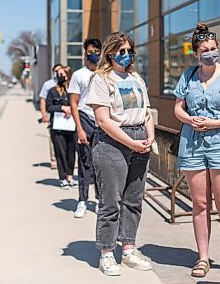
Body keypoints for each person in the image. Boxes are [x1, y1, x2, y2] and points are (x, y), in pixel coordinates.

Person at [173, 23, 220, 278]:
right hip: (192, 144)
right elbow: (178, 108)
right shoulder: (188, 76)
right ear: (196, 53)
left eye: (214, 49)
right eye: (205, 50)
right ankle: (202, 258)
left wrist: (214, 123)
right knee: (200, 204)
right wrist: (188, 119)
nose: (210, 53)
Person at [86, 31, 154, 276]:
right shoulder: (101, 79)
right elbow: (103, 120)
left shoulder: (136, 77)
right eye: (121, 51)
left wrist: (150, 136)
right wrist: (131, 143)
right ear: (110, 53)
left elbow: (146, 111)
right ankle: (106, 253)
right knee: (110, 202)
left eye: (129, 51)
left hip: (139, 138)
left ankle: (128, 249)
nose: (126, 55)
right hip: (112, 143)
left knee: (134, 200)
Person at [68, 38, 102, 218]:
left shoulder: (106, 73)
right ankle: (82, 200)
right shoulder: (78, 75)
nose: (94, 54)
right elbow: (73, 103)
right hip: (84, 119)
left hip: (102, 122)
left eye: (97, 51)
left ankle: (98, 199)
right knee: (84, 162)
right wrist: (79, 129)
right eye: (90, 51)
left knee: (100, 164)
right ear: (85, 53)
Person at [46, 66, 78, 189]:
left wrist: (72, 109)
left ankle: (70, 176)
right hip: (58, 127)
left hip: (72, 126)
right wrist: (61, 108)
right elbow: (49, 107)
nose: (61, 77)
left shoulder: (73, 91)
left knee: (71, 152)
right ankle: (63, 177)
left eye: (63, 74)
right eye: (59, 74)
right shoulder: (52, 91)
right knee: (60, 152)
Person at [39, 63, 63, 169]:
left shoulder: (68, 83)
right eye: (57, 71)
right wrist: (44, 114)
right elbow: (43, 100)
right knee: (54, 138)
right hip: (54, 115)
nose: (59, 73)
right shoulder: (48, 85)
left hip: (67, 116)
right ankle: (54, 160)